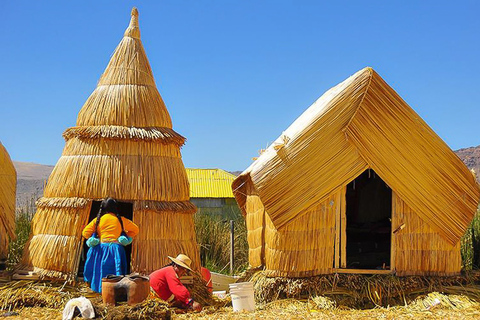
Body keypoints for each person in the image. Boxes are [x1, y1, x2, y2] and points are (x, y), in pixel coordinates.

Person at [82, 198, 139, 293]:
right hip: (116, 249)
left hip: (100, 248)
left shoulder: (98, 220)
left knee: (100, 269)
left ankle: (98, 289)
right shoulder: (121, 220)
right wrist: (125, 238)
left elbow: (85, 233)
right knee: (115, 270)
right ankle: (114, 291)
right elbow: (135, 229)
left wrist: (97, 239)